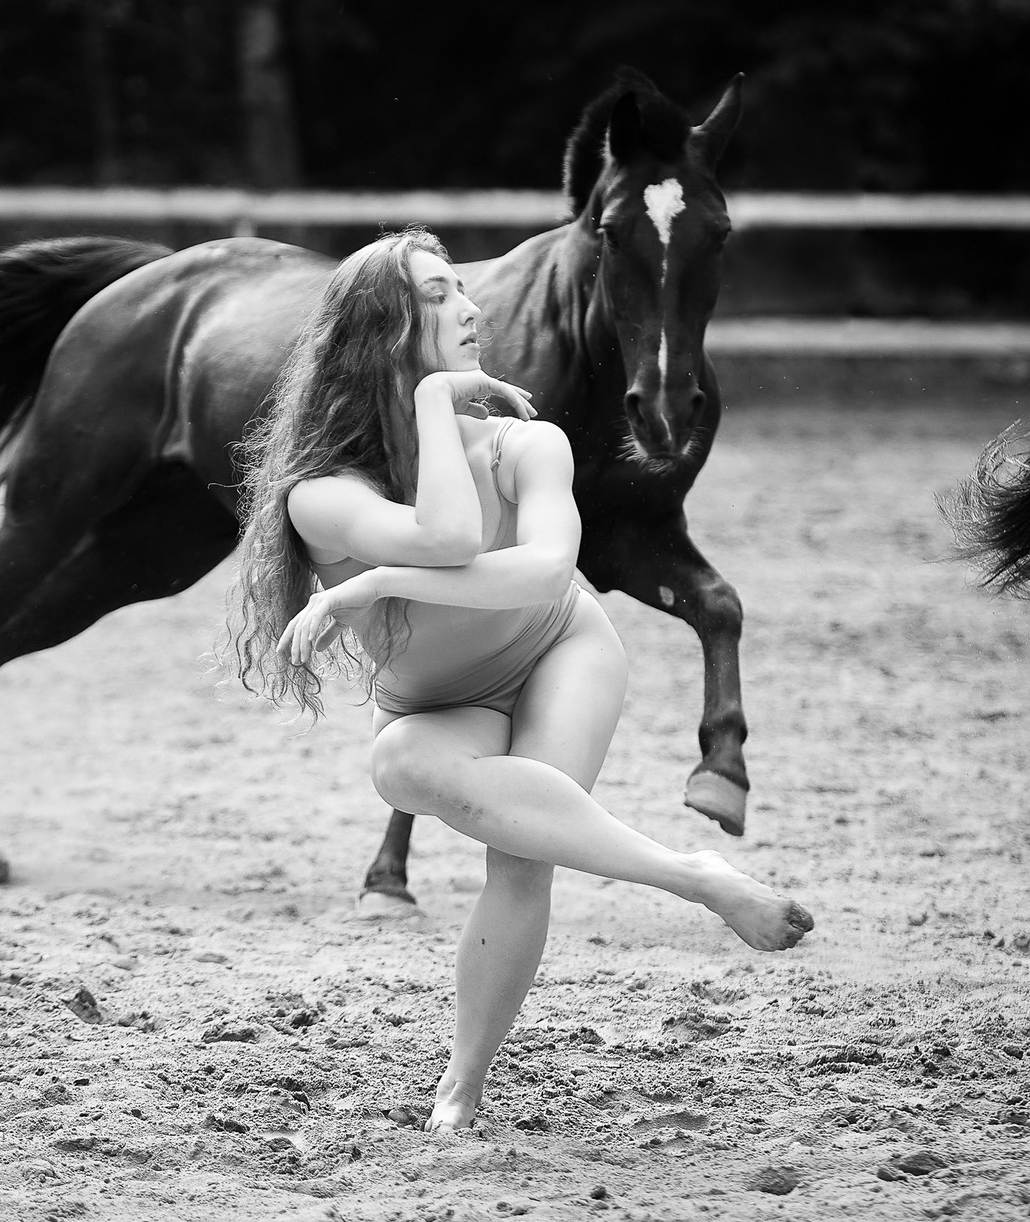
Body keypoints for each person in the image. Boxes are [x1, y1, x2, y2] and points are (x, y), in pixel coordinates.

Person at [227, 227, 813, 1133]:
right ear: (381, 332)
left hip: (559, 653)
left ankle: (459, 1088)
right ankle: (690, 874)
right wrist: (432, 401)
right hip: (439, 703)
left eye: (461, 288)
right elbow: (450, 537)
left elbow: (544, 576)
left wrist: (373, 585)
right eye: (436, 296)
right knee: (397, 766)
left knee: (522, 855)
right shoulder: (322, 493)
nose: (468, 308)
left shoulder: (526, 445)